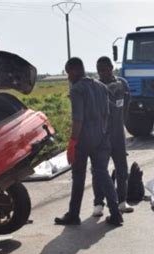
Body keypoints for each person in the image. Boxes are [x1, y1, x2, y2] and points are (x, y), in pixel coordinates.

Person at [54, 57, 123, 226]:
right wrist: (102, 133)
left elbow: (78, 119)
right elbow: (107, 114)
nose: (68, 76)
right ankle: (116, 213)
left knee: (78, 176)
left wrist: (72, 142)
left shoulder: (77, 90)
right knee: (102, 173)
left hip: (84, 140)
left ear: (74, 70)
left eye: (68, 72)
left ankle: (74, 214)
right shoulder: (101, 86)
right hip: (102, 137)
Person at [92, 56, 133, 217]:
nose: (102, 73)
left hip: (118, 134)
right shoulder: (95, 87)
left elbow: (127, 103)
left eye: (104, 69)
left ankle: (122, 201)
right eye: (99, 70)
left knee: (122, 168)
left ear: (111, 68)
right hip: (100, 136)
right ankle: (98, 203)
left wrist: (120, 121)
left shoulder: (122, 84)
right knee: (99, 170)